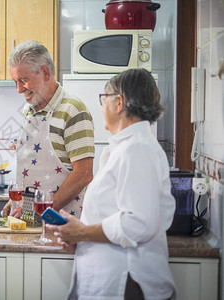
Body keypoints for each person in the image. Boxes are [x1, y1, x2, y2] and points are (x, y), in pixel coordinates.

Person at [48, 68, 177, 299]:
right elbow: (113, 215)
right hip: (111, 277)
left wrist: (83, 232)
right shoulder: (127, 147)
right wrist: (79, 235)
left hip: (126, 283)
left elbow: (138, 223)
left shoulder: (138, 149)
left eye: (103, 98)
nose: (101, 105)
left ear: (119, 103)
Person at [3, 40, 94, 218]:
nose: (19, 89)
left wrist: (43, 212)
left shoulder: (73, 110)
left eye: (23, 80)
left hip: (61, 225)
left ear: (45, 72)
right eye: (15, 81)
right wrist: (16, 202)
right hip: (28, 221)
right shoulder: (28, 109)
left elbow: (84, 174)